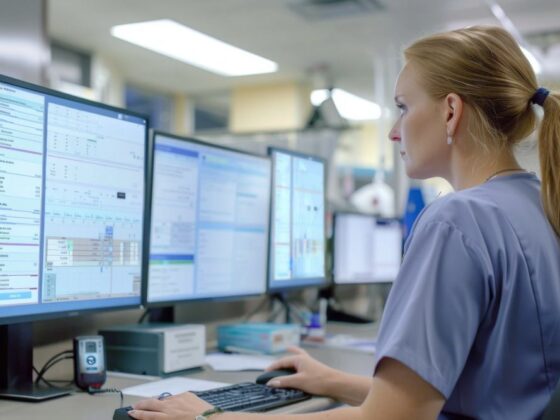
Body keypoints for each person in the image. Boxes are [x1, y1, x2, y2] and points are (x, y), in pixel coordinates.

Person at [128, 25, 560, 420]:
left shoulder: (457, 220)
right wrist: (333, 381)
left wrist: (213, 418)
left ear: (451, 112)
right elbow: (479, 393)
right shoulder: (538, 203)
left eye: (403, 107)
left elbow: (391, 419)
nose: (394, 131)